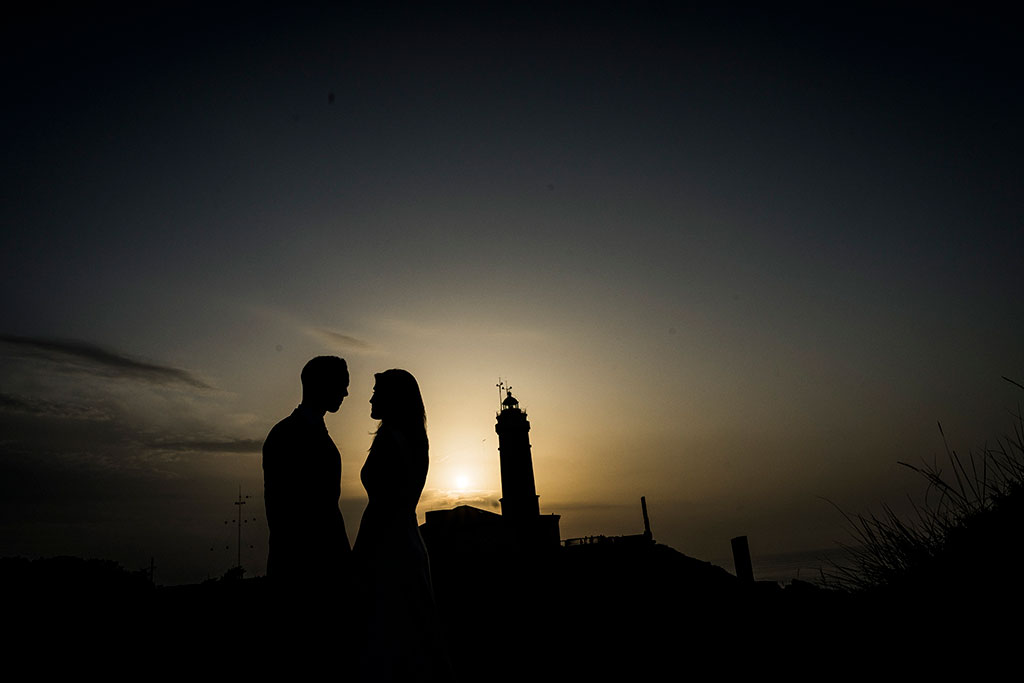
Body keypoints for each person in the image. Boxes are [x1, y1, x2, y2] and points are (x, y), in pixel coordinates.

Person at [354, 369, 446, 680]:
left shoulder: (393, 441)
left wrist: (363, 554)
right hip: (402, 541)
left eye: (377, 392)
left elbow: (387, 505)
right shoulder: (410, 438)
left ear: (393, 398)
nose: (370, 398)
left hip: (389, 547)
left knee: (391, 641)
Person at [262, 355, 351, 588]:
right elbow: (283, 513)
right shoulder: (284, 436)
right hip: (302, 573)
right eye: (342, 385)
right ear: (323, 385)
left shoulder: (302, 433)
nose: (346, 393)